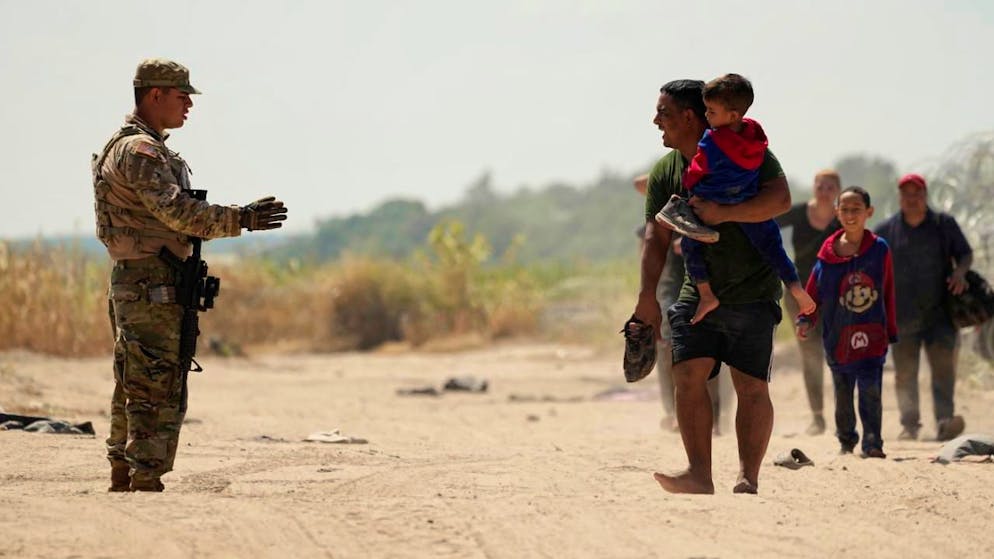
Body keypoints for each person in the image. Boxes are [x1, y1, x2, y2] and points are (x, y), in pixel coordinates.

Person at [94, 59, 288, 492]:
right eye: (181, 95)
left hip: (146, 280)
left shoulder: (145, 147)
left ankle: (126, 469)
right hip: (149, 285)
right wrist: (243, 219)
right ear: (154, 95)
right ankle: (143, 474)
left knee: (137, 375)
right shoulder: (139, 151)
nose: (189, 105)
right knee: (154, 379)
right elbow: (177, 213)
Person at [632, 79, 791, 495]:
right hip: (697, 287)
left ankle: (748, 476)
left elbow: (780, 200)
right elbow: (656, 237)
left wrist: (726, 212)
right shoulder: (667, 170)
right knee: (687, 372)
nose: (656, 121)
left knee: (751, 385)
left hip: (752, 287)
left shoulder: (744, 148)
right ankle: (700, 474)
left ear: (688, 117)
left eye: (663, 113)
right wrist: (646, 298)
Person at [655, 74, 815, 325]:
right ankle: (796, 289)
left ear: (731, 115)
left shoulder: (712, 140)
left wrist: (690, 183)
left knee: (689, 243)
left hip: (713, 199)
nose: (706, 117)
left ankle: (706, 295)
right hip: (748, 197)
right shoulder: (755, 135)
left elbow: (700, 167)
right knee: (774, 248)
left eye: (711, 111)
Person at [796, 186, 897, 458]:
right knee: (843, 392)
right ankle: (846, 440)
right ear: (836, 213)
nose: (851, 215)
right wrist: (806, 318)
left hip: (873, 334)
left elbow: (887, 291)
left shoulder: (879, 250)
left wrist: (892, 329)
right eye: (845, 210)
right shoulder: (828, 253)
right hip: (837, 336)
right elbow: (813, 290)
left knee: (871, 390)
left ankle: (873, 442)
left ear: (869, 212)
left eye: (857, 209)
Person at [873, 173, 971, 442]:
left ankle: (944, 422)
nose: (912, 200)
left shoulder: (943, 224)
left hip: (940, 313)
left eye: (917, 194)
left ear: (925, 196)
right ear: (900, 198)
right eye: (907, 195)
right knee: (905, 373)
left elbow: (965, 253)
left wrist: (960, 273)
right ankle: (910, 424)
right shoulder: (886, 230)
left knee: (943, 370)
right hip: (901, 314)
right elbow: (871, 262)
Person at [633, 175, 733, 435]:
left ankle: (715, 418)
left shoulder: (704, 209)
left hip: (706, 288)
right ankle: (673, 412)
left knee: (710, 354)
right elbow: (639, 183)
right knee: (666, 350)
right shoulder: (657, 219)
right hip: (668, 291)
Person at [776, 170, 842, 435]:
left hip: (836, 295)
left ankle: (843, 416)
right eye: (820, 185)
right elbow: (765, 225)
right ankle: (817, 417)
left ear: (837, 190)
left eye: (830, 186)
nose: (824, 190)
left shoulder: (843, 218)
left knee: (838, 354)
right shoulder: (799, 212)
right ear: (814, 188)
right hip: (799, 293)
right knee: (810, 354)